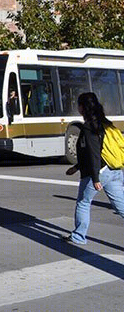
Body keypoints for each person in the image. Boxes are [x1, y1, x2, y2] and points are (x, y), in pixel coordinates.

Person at [63, 92, 124, 245]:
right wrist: (77, 167)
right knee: (121, 205)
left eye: (78, 105)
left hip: (99, 172)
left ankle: (78, 237)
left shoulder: (90, 127)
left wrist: (96, 178)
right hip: (114, 170)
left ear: (82, 107)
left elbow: (93, 153)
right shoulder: (105, 123)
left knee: (83, 202)